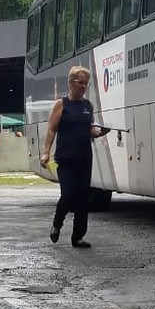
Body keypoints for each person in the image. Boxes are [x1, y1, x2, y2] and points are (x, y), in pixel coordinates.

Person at [41, 66, 110, 248]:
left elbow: (91, 129)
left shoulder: (88, 106)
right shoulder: (61, 104)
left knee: (82, 198)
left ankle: (78, 236)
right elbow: (51, 129)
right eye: (80, 82)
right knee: (69, 194)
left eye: (86, 83)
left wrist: (99, 132)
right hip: (65, 158)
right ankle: (57, 224)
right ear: (71, 83)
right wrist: (46, 152)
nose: (83, 86)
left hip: (84, 158)